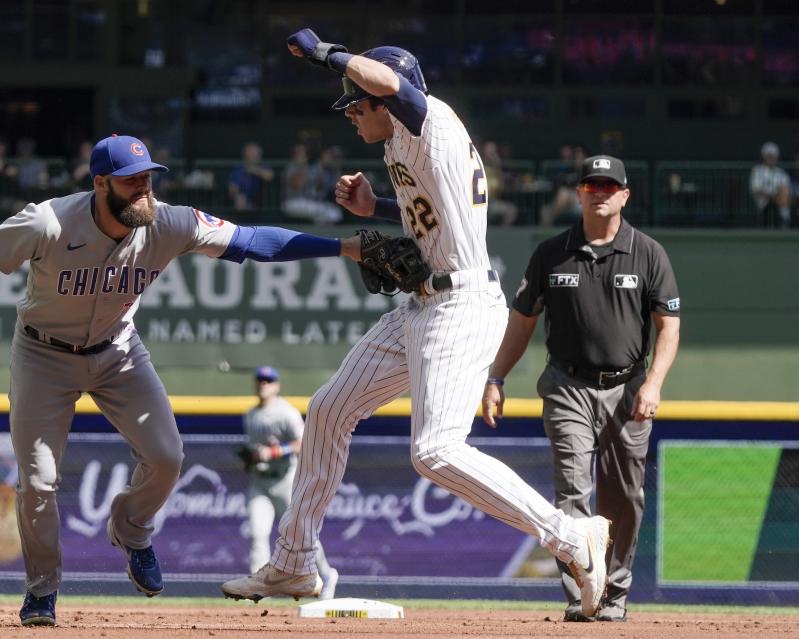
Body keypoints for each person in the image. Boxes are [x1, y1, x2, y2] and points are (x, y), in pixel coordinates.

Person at [221, 29, 611, 617]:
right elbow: (433, 209)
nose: (351, 113)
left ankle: (570, 534)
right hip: (421, 306)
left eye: (357, 102)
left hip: (461, 304)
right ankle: (296, 562)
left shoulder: (433, 121)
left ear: (385, 98)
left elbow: (395, 87)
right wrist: (374, 208)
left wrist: (328, 54)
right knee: (328, 411)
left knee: (434, 451)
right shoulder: (403, 143)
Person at [0, 134, 365, 626]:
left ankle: (131, 532)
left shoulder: (169, 222)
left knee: (167, 456)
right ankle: (42, 592)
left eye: (148, 179)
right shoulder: (49, 220)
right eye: (132, 182)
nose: (144, 191)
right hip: (43, 354)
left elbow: (254, 240)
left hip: (118, 351)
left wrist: (344, 247)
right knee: (39, 482)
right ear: (101, 183)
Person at [481, 155, 681, 622]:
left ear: (625, 195)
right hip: (567, 383)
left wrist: (653, 384)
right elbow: (522, 323)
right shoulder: (552, 252)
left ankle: (615, 590)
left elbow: (668, 327)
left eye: (610, 186)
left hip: (628, 387)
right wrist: (496, 377)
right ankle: (580, 591)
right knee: (571, 490)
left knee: (622, 496)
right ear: (579, 192)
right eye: (592, 184)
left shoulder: (648, 252)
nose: (600, 192)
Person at [240, 365, 338, 600]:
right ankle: (259, 588)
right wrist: (252, 456)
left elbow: (303, 442)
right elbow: (256, 450)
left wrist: (274, 452)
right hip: (261, 482)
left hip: (286, 480)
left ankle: (326, 575)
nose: (263, 384)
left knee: (301, 532)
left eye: (268, 380)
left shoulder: (286, 412)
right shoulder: (250, 415)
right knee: (257, 533)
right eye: (260, 380)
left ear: (276, 385)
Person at [749, 141, 792, 228]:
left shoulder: (782, 173)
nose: (771, 158)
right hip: (764, 204)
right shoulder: (757, 170)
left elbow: (787, 191)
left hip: (780, 203)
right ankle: (785, 221)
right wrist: (773, 195)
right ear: (764, 156)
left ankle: (785, 220)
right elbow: (755, 190)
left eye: (773, 156)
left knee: (785, 195)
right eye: (769, 156)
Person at [228, 142, 274, 213]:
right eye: (251, 153)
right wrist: (237, 196)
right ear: (245, 154)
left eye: (256, 153)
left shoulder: (263, 165)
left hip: (260, 200)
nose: (254, 156)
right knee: (240, 199)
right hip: (243, 200)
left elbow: (269, 176)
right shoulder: (239, 168)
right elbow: (232, 188)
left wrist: (253, 170)